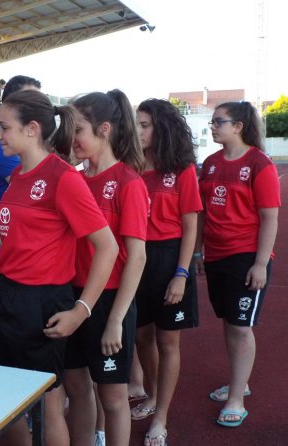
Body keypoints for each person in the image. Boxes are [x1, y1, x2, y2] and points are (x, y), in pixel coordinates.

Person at [0, 88, 119, 446]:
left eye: (4, 127)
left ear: (32, 129)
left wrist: (81, 310)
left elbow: (108, 247)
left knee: (47, 405)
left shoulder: (63, 177)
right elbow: (19, 247)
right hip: (8, 296)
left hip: (44, 304)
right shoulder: (17, 180)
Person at [62, 90, 148, 446]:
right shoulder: (73, 178)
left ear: (105, 130)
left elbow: (137, 256)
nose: (72, 139)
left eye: (78, 130)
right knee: (77, 388)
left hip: (110, 303)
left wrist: (116, 319)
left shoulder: (128, 182)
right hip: (72, 297)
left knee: (113, 398)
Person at [195, 101, 280, 428]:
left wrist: (261, 263)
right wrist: (199, 252)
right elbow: (202, 212)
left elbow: (270, 217)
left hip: (246, 256)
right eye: (213, 121)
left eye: (219, 121)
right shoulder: (211, 163)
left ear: (239, 126)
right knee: (230, 324)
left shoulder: (259, 163)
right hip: (216, 255)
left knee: (242, 327)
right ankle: (238, 382)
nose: (213, 126)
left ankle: (236, 399)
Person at [131, 99, 203, 445]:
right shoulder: (130, 166)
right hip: (135, 259)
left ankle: (161, 416)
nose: (139, 130)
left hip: (169, 258)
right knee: (141, 336)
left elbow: (191, 225)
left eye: (144, 125)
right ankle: (151, 394)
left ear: (161, 127)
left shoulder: (182, 168)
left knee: (167, 340)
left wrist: (181, 273)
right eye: (137, 124)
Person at [0, 75, 41, 310]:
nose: (39, 106)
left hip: (13, 248)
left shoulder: (19, 141)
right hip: (0, 251)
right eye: (31, 99)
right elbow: (36, 185)